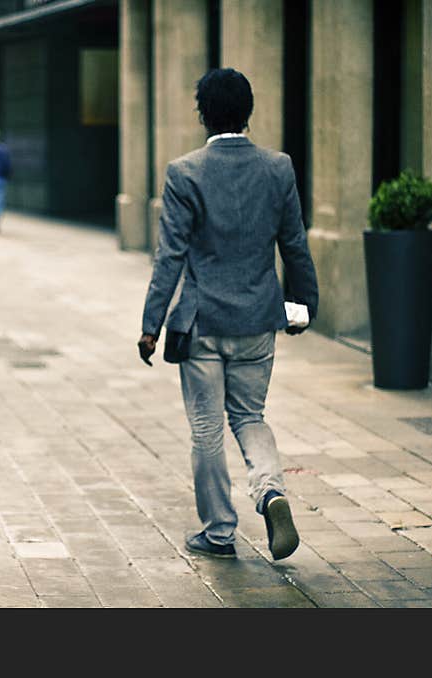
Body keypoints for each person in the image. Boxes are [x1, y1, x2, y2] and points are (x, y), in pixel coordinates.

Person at [137, 68, 319, 561]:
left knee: (207, 431)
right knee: (249, 416)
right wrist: (304, 307)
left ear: (202, 114)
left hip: (202, 325)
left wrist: (151, 325)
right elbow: (294, 244)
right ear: (249, 112)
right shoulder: (277, 167)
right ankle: (271, 493)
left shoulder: (185, 172)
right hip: (258, 319)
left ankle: (219, 531)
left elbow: (170, 256)